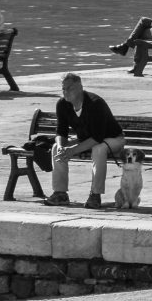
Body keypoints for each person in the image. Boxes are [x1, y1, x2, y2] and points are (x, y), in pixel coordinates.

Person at [43, 73, 125, 210]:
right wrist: (62, 146)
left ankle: (95, 195)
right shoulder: (62, 104)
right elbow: (61, 132)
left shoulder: (95, 103)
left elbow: (97, 138)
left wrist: (73, 150)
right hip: (87, 138)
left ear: (80, 87)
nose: (66, 92)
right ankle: (60, 193)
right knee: (56, 147)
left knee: (98, 148)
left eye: (70, 88)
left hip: (113, 138)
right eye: (63, 89)